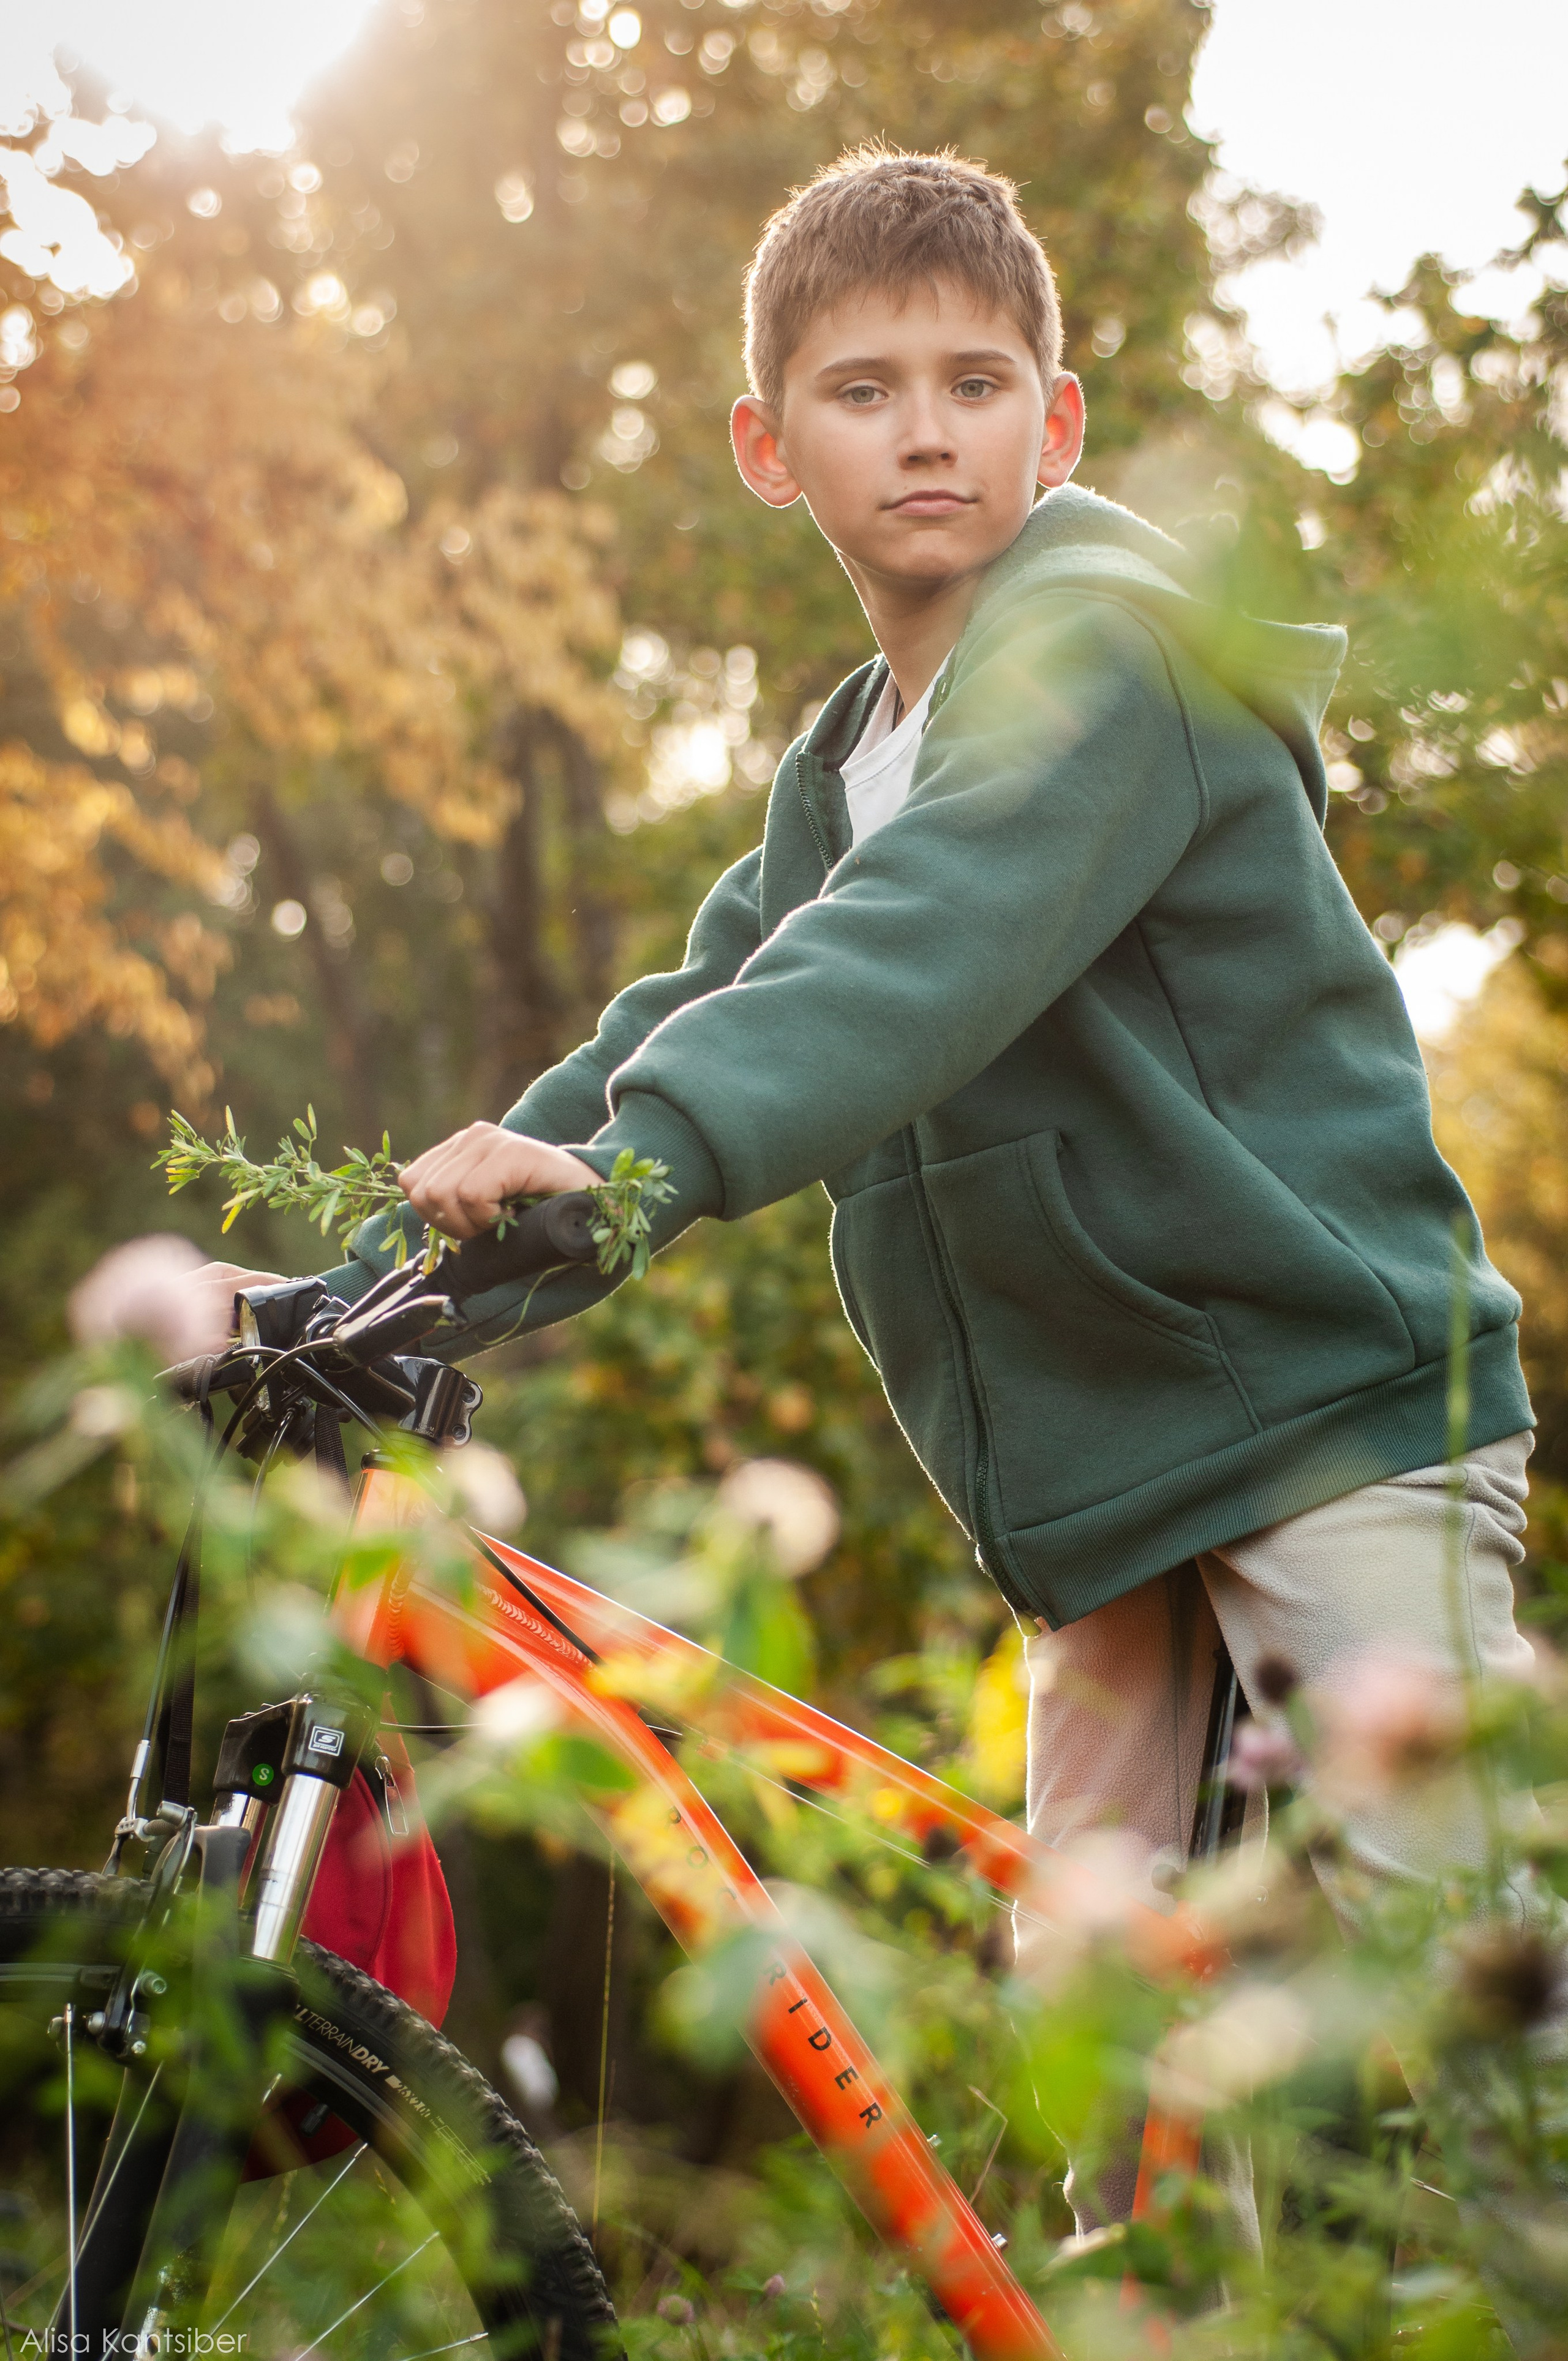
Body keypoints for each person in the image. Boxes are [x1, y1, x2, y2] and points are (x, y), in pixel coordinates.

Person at [194, 146, 1534, 2221]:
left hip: (1326, 1418)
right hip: (1107, 1493)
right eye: (864, 390)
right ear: (769, 448)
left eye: (977, 385)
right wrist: (372, 1283)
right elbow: (697, 1007)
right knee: (1113, 2094)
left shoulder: (1108, 658)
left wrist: (636, 1172)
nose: (928, 432)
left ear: (1055, 424)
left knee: (1460, 2040)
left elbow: (908, 956)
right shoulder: (849, 763)